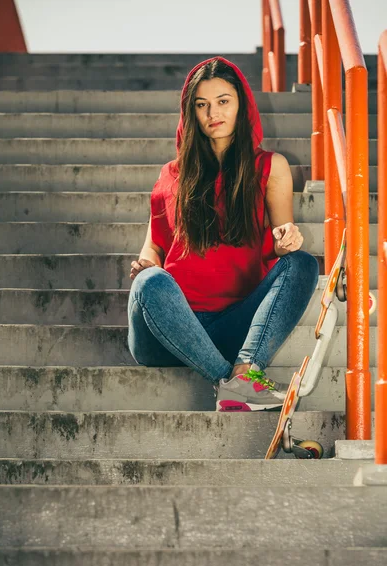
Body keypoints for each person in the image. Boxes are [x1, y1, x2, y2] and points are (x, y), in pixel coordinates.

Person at [127, 56, 319, 411]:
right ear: (191, 113)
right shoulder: (172, 173)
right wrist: (145, 265)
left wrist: (285, 241)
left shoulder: (270, 166)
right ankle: (230, 384)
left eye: (223, 101)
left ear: (241, 104)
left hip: (234, 325)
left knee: (302, 264)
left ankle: (245, 372)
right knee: (149, 283)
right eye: (201, 105)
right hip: (169, 331)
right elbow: (154, 244)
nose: (212, 113)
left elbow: (282, 231)